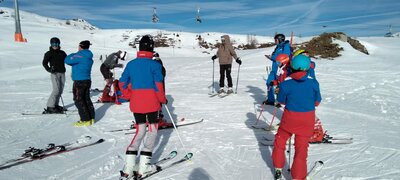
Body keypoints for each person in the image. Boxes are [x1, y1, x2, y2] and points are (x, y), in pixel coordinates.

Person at [119, 35, 167, 179]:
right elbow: (159, 86)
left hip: (136, 103)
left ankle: (128, 167)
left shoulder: (131, 64)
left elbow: (122, 82)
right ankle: (144, 167)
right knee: (152, 131)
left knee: (140, 131)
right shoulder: (155, 65)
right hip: (152, 103)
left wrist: (129, 95)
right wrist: (162, 100)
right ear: (151, 48)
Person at [271, 54, 322, 180]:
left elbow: (281, 101)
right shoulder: (314, 83)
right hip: (307, 120)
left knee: (280, 140)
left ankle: (278, 167)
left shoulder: (286, 84)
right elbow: (317, 101)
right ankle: (298, 176)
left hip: (290, 119)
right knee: (301, 149)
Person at [65, 40, 95, 127]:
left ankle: (85, 119)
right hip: (87, 80)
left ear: (80, 46)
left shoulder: (79, 55)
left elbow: (67, 60)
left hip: (79, 81)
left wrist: (73, 54)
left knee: (78, 100)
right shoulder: (89, 56)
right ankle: (91, 117)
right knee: (86, 99)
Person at [264, 34, 291, 105]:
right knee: (269, 83)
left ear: (280, 39)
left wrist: (272, 57)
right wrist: (271, 57)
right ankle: (270, 100)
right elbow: (275, 56)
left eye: (276, 40)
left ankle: (281, 100)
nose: (275, 41)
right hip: (274, 69)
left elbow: (285, 57)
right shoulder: (277, 47)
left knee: (281, 86)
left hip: (281, 70)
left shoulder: (286, 46)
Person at [42, 37, 67, 114]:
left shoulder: (62, 53)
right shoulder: (49, 53)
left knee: (60, 90)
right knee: (56, 90)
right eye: (53, 44)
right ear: (51, 44)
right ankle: (50, 106)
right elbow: (44, 63)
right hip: (54, 73)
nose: (55, 45)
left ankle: (55, 105)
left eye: (56, 43)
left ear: (59, 44)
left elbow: (68, 60)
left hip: (62, 73)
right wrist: (49, 69)